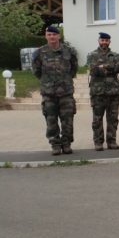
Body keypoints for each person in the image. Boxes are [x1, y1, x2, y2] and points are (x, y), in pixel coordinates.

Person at [32, 25, 79, 155]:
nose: (52, 37)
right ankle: (55, 145)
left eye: (54, 34)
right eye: (49, 35)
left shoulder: (69, 51)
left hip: (66, 92)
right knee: (51, 120)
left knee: (68, 120)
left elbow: (74, 69)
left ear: (59, 36)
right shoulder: (39, 53)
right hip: (49, 93)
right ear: (46, 36)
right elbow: (36, 71)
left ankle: (66, 143)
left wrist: (65, 80)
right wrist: (48, 83)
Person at [87, 32, 119, 151]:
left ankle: (111, 141)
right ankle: (98, 142)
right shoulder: (92, 55)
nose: (104, 42)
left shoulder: (116, 55)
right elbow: (93, 70)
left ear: (109, 42)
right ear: (99, 41)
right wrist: (112, 68)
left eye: (106, 40)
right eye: (102, 40)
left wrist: (104, 66)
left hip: (113, 93)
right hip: (98, 93)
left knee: (113, 119)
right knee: (97, 119)